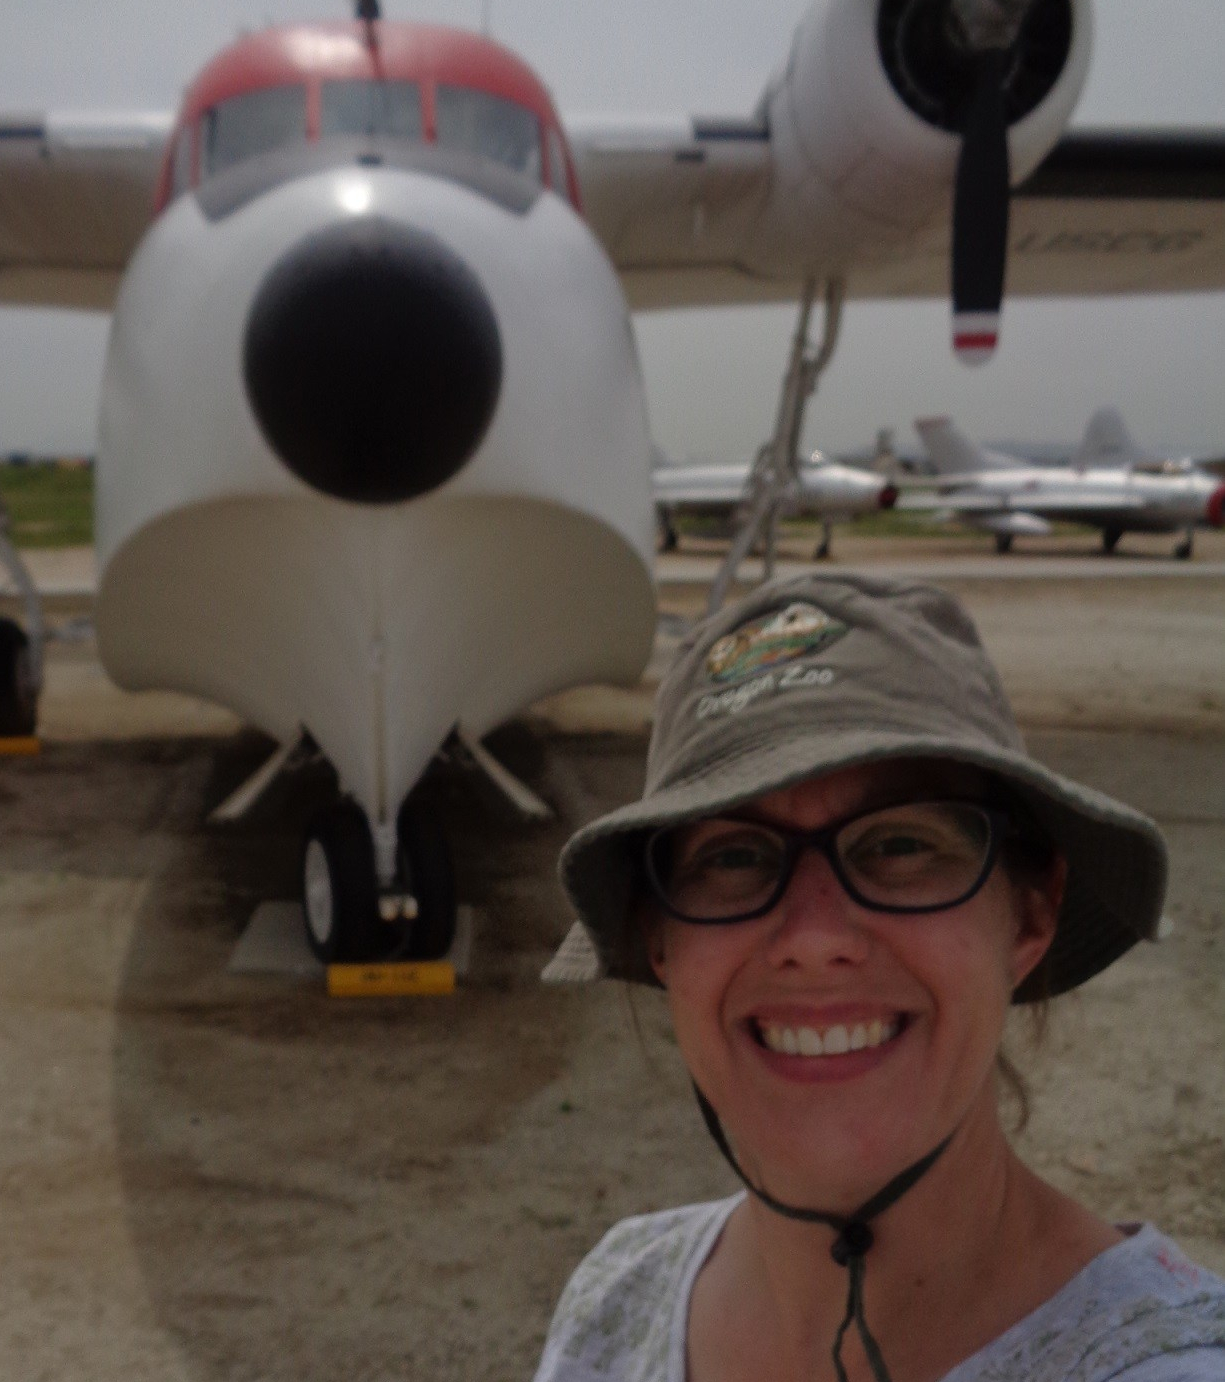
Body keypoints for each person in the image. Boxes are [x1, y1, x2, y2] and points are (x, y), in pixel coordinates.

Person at [534, 573, 1225, 1382]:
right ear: (659, 941)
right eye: (732, 857)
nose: (814, 939)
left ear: (1029, 914)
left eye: (900, 845)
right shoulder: (616, 1296)